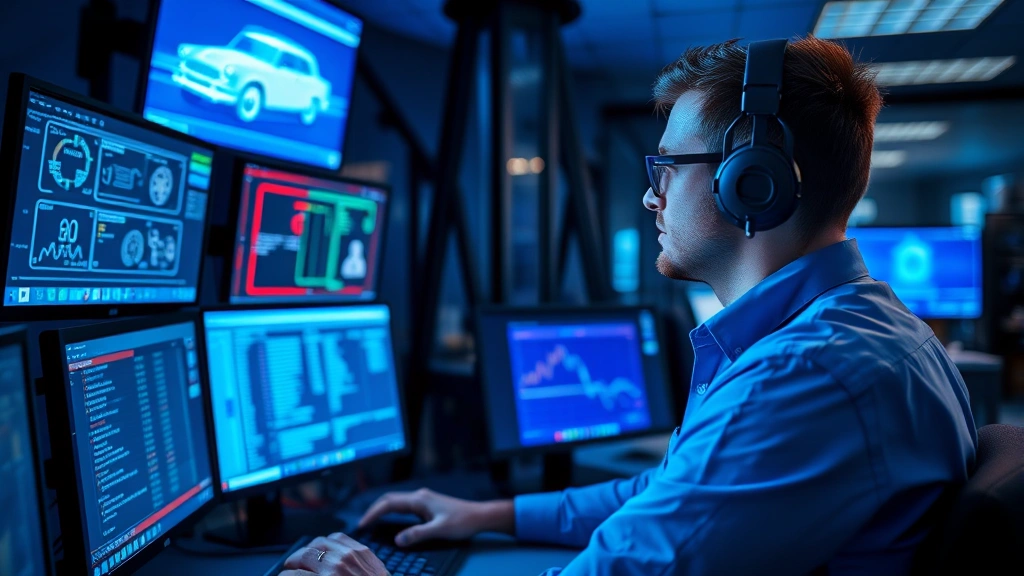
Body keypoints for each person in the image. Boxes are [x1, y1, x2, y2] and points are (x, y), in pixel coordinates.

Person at [279, 36, 977, 576]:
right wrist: (490, 513)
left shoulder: (807, 375)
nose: (652, 196)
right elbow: (676, 491)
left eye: (669, 167)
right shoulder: (857, 329)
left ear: (753, 183)